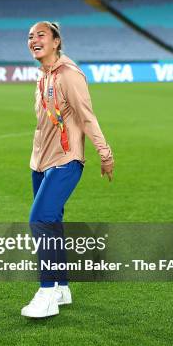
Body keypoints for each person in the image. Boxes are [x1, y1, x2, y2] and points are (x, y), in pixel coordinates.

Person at [21, 21, 114, 318]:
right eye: (30, 37)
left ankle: (46, 292)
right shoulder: (43, 75)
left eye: (41, 35)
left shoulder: (69, 75)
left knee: (40, 219)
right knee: (53, 223)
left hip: (66, 161)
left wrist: (105, 153)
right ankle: (61, 287)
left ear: (57, 41)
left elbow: (87, 117)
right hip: (40, 162)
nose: (34, 40)